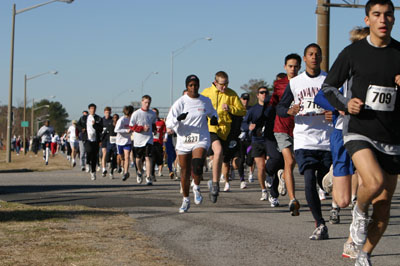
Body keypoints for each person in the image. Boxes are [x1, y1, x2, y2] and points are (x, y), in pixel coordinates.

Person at [322, 1, 400, 264]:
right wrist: (346, 104)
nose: (383, 20)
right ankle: (359, 210)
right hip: (360, 130)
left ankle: (364, 253)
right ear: (367, 20)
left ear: (393, 19)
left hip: (392, 135)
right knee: (374, 182)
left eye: (388, 15)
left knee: (384, 204)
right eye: (376, 15)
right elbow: (329, 88)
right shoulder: (352, 52)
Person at [277, 43, 333, 240]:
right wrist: (289, 111)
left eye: (317, 54)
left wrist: (332, 113)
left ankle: (335, 206)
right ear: (305, 58)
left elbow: (341, 104)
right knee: (309, 178)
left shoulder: (329, 80)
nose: (314, 57)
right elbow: (280, 107)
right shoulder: (295, 83)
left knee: (326, 183)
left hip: (326, 139)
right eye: (310, 54)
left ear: (321, 58)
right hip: (304, 139)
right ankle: (320, 224)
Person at [166, 75, 218, 213]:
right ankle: (185, 199)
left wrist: (214, 119)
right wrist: (178, 119)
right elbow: (169, 122)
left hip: (200, 138)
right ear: (186, 87)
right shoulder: (180, 102)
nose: (193, 87)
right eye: (190, 85)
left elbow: (213, 113)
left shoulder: (205, 101)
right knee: (184, 172)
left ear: (198, 86)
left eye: (195, 85)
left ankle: (196, 187)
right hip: (184, 139)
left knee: (197, 165)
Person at [201, 71, 246, 203]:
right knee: (218, 151)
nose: (224, 87)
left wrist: (231, 108)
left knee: (221, 157)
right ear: (215, 83)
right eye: (222, 84)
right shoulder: (207, 93)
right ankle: (215, 184)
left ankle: (213, 181)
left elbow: (242, 110)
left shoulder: (231, 94)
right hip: (211, 128)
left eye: (226, 84)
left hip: (226, 131)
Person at [270, 53, 302, 216]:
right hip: (281, 127)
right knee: (289, 161)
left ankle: (283, 176)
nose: (293, 69)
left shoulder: (303, 82)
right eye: (290, 66)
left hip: (299, 128)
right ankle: (292, 199)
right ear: (285, 67)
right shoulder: (279, 84)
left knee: (293, 162)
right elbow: (274, 106)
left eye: (296, 66)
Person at [244, 86, 282, 207]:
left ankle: (270, 181)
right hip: (257, 141)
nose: (264, 94)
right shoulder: (253, 109)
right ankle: (263, 190)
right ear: (257, 95)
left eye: (266, 92)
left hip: (270, 140)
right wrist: (248, 127)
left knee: (272, 164)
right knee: (260, 167)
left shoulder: (272, 108)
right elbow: (244, 122)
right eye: (261, 92)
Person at [129, 95, 157, 185]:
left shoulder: (152, 113)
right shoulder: (136, 113)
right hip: (138, 140)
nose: (147, 104)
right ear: (142, 102)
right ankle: (140, 172)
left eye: (149, 103)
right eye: (145, 102)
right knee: (138, 159)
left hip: (148, 139)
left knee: (148, 158)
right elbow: (131, 126)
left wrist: (154, 130)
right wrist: (141, 128)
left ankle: (148, 177)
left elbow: (153, 123)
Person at [77, 104, 103, 180]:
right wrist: (81, 129)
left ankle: (93, 172)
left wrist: (95, 125)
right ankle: (87, 163)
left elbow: (101, 129)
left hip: (95, 139)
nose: (92, 110)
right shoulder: (84, 118)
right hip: (87, 138)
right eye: (91, 109)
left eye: (94, 109)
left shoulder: (98, 118)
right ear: (89, 109)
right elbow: (78, 125)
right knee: (88, 151)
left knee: (94, 156)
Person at [237, 93, 255, 189]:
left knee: (249, 161)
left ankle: (250, 171)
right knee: (241, 160)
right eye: (244, 99)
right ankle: (242, 180)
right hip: (239, 139)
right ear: (240, 99)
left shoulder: (251, 109)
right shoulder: (237, 109)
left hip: (249, 138)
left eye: (247, 99)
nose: (245, 101)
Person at [115, 106, 134, 181]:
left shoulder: (131, 120)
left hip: (127, 141)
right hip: (120, 141)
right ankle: (121, 167)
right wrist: (126, 131)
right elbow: (116, 129)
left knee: (127, 157)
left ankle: (126, 172)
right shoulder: (121, 120)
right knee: (121, 157)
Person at [151, 108, 166, 179]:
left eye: (155, 113)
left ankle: (160, 170)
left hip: (159, 142)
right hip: (151, 142)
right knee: (152, 158)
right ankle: (152, 173)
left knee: (160, 158)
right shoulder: (149, 122)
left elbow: (164, 131)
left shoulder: (161, 122)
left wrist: (164, 137)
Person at [101, 107, 113, 177]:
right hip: (103, 139)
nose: (107, 114)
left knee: (109, 153)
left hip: (110, 139)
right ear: (104, 113)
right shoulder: (102, 120)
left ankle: (109, 162)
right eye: (106, 112)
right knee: (104, 153)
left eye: (108, 112)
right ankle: (103, 169)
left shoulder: (112, 120)